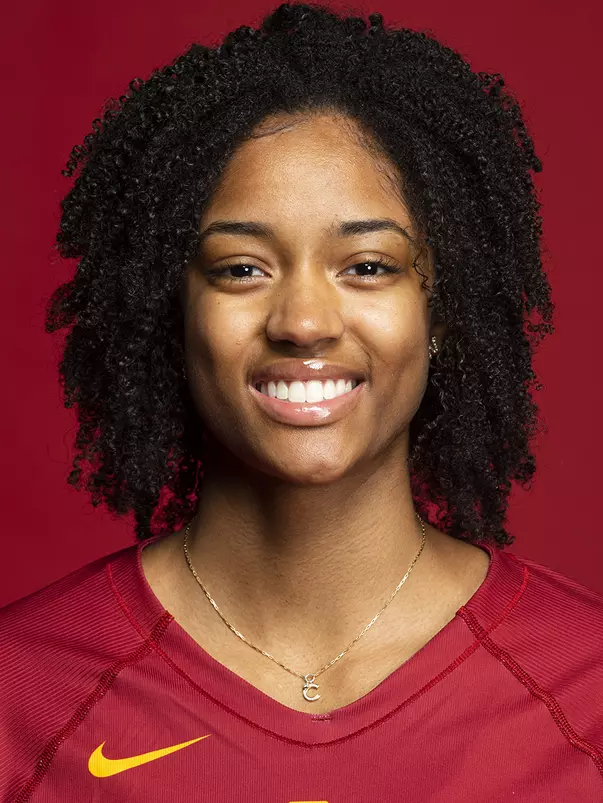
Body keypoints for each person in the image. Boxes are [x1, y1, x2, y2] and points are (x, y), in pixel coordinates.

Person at [1, 2, 602, 800]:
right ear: (170, 310)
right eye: (241, 269)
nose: (305, 323)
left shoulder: (584, 691)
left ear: (440, 314)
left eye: (367, 266)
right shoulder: (25, 696)